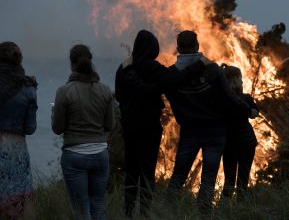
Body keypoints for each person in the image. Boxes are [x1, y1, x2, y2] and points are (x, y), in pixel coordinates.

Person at [115, 30, 207, 217]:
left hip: (130, 128)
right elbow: (174, 80)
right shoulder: (155, 69)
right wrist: (197, 66)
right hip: (149, 127)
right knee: (147, 171)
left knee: (131, 171)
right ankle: (146, 213)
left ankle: (128, 213)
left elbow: (119, 96)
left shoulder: (124, 68)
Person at [165, 30, 258, 213]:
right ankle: (204, 212)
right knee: (209, 175)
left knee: (179, 174)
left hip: (189, 131)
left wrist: (181, 115)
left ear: (178, 48)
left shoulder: (172, 75)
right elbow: (231, 97)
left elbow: (170, 93)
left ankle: (167, 211)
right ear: (197, 46)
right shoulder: (212, 70)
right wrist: (249, 110)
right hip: (214, 132)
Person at [52, 44, 114, 220]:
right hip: (100, 154)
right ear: (91, 62)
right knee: (98, 206)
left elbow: (57, 129)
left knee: (81, 211)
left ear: (72, 64)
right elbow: (109, 125)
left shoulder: (64, 91)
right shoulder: (105, 90)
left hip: (75, 155)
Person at [0, 41, 37, 220]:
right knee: (19, 200)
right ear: (19, 60)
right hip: (16, 150)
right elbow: (30, 128)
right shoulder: (29, 88)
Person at [220, 64, 259, 199]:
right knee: (243, 179)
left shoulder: (220, 100)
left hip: (228, 145)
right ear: (234, 80)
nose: (242, 81)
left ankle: (224, 209)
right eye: (240, 78)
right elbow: (255, 113)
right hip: (246, 143)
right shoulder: (245, 98)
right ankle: (240, 208)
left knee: (228, 180)